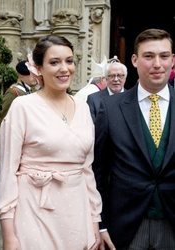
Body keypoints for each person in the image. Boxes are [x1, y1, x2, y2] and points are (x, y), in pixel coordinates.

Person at [0, 34, 102, 250]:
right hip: (34, 210)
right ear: (39, 68)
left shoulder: (83, 107)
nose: (65, 68)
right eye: (54, 62)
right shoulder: (22, 107)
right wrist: (9, 234)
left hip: (76, 213)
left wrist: (94, 221)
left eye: (69, 61)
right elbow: (7, 174)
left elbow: (87, 169)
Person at [93, 28, 175, 250]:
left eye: (164, 56)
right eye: (149, 56)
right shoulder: (110, 109)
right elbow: (98, 171)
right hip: (125, 227)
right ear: (135, 60)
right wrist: (100, 225)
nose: (157, 64)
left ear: (173, 60)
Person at [0, 60, 38, 132]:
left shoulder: (30, 91)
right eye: (31, 74)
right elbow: (5, 118)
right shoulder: (13, 92)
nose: (36, 77)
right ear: (21, 75)